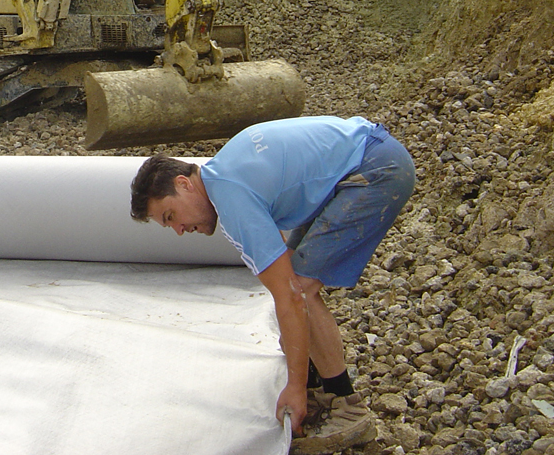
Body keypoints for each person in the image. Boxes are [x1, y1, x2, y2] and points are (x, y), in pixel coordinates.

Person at [129, 115, 415, 454]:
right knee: (295, 285)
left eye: (171, 216)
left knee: (301, 292)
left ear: (184, 184)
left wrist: (292, 385)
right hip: (364, 156)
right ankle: (315, 385)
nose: (178, 230)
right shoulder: (227, 173)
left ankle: (346, 405)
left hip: (374, 168)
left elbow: (291, 296)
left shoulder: (233, 200)